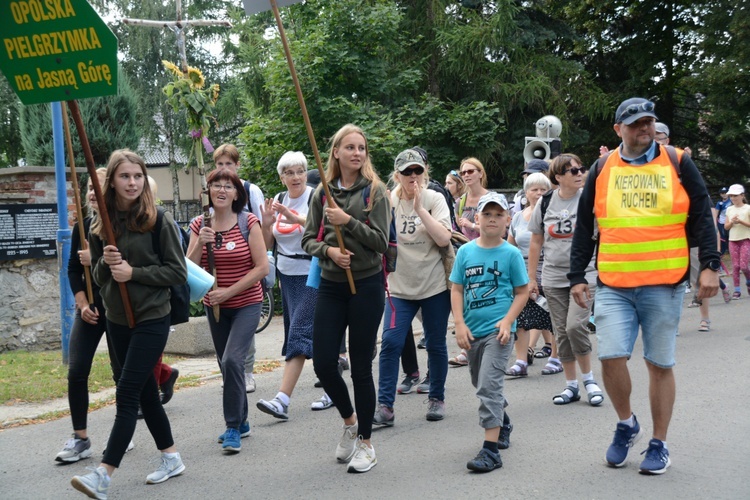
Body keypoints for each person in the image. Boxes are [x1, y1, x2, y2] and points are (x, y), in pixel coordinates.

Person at [569, 97, 720, 475]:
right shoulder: (603, 167)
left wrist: (711, 266)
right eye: (635, 123)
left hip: (664, 283)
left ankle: (659, 443)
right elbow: (585, 225)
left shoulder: (677, 161)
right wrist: (576, 277)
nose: (644, 128)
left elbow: (702, 212)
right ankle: (626, 424)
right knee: (611, 357)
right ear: (618, 129)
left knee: (658, 364)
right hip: (614, 282)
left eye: (649, 122)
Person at [71, 150, 188, 498]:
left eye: (137, 176)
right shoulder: (100, 225)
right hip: (117, 319)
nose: (133, 183)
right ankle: (171, 457)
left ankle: (103, 474)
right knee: (144, 393)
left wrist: (133, 272)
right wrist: (105, 263)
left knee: (126, 393)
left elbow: (177, 271)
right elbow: (99, 278)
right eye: (125, 176)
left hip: (152, 317)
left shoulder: (158, 220)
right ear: (112, 182)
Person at [301, 124, 390, 473]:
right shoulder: (321, 193)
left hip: (366, 286)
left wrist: (347, 221)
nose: (357, 153)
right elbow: (308, 239)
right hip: (331, 285)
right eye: (349, 147)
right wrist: (328, 251)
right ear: (336, 152)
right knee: (323, 363)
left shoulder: (376, 192)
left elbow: (381, 242)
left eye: (362, 148)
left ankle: (367, 443)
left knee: (361, 368)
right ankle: (350, 421)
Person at [186, 168, 268, 453]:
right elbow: (189, 268)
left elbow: (262, 268)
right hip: (215, 307)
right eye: (216, 185)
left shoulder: (248, 221)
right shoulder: (200, 224)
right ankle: (242, 421)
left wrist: (229, 291)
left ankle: (232, 427)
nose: (221, 190)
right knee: (225, 365)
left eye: (228, 186)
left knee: (234, 361)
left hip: (247, 303)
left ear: (237, 193)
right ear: (208, 191)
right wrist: (200, 243)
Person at [450, 192, 529, 472]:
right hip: (471, 332)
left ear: (508, 220)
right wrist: (459, 323)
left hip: (499, 334)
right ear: (477, 219)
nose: (492, 219)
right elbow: (457, 288)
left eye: (498, 215)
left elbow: (523, 291)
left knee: (488, 386)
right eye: (487, 214)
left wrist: (508, 321)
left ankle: (490, 451)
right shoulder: (465, 251)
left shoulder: (510, 254)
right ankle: (502, 421)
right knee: (480, 383)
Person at [373, 148, 452, 426]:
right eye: (407, 172)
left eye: (418, 170)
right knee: (391, 343)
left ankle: (437, 398)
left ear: (425, 172)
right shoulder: (388, 200)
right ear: (397, 175)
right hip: (399, 290)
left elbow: (443, 239)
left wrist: (420, 209)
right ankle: (385, 406)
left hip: (434, 286)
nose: (413, 176)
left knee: (436, 343)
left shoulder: (435, 198)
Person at [56, 168, 129, 463]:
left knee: (121, 373)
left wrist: (95, 258)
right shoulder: (82, 228)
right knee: (77, 371)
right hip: (91, 310)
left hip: (117, 308)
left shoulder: (121, 227)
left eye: (96, 187)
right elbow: (73, 269)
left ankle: (122, 432)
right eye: (88, 186)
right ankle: (80, 438)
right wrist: (83, 303)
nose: (90, 192)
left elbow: (125, 266)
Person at [255, 152, 331, 418]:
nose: (296, 177)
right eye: (289, 172)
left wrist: (293, 217)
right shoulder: (277, 200)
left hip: (313, 274)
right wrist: (266, 224)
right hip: (287, 276)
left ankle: (282, 399)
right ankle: (334, 389)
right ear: (282, 177)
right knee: (312, 336)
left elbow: (323, 230)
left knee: (299, 334)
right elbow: (269, 243)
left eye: (300, 171)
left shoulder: (316, 196)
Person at [527, 154, 603, 406]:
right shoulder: (546, 201)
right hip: (552, 275)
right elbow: (536, 240)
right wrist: (531, 278)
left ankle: (589, 379)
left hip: (585, 274)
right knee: (561, 332)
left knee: (574, 326)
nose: (579, 173)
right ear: (558, 177)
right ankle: (571, 386)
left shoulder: (589, 199)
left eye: (581, 169)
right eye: (572, 171)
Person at [213, 143, 262, 393]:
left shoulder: (250, 192)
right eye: (219, 165)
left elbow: (261, 234)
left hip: (248, 272)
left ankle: (247, 371)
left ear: (237, 166)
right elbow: (189, 265)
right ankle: (232, 377)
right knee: (226, 353)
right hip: (218, 292)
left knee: (243, 337)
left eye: (228, 164)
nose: (224, 169)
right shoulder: (206, 212)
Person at [506, 172, 555, 377]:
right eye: (534, 189)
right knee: (521, 317)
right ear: (526, 193)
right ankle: (521, 360)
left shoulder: (553, 213)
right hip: (522, 270)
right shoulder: (518, 216)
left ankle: (556, 357)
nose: (538, 193)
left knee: (553, 316)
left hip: (549, 267)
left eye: (543, 189)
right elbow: (510, 244)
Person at [449, 157, 490, 367]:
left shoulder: (491, 198)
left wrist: (473, 227)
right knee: (467, 301)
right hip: (467, 255)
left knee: (486, 300)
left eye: (471, 171)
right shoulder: (460, 201)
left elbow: (500, 228)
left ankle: (491, 344)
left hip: (490, 255)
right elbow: (457, 230)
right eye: (463, 172)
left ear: (480, 173)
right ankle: (467, 349)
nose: (467, 175)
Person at [724, 183, 750, 298]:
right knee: (735, 266)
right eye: (731, 196)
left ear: (742, 195)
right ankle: (737, 290)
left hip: (745, 239)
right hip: (732, 240)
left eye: (735, 195)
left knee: (744, 266)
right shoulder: (729, 209)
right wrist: (732, 222)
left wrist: (741, 222)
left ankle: (748, 281)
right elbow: (726, 227)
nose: (733, 198)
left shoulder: (748, 208)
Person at [715, 187, 731, 256]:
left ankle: (731, 249)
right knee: (723, 236)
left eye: (725, 193)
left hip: (731, 221)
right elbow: (716, 213)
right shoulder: (719, 203)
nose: (724, 194)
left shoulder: (732, 201)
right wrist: (715, 222)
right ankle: (725, 249)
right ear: (720, 194)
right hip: (722, 222)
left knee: (730, 235)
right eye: (722, 193)